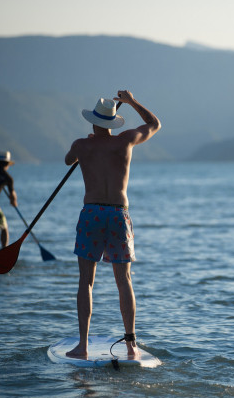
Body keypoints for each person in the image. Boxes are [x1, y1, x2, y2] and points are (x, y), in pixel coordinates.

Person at [64, 91, 161, 359]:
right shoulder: (126, 141)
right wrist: (132, 101)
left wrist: (88, 144)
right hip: (119, 214)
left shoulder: (82, 145)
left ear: (94, 122)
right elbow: (154, 124)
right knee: (124, 280)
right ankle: (131, 345)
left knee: (86, 281)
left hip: (92, 213)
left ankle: (82, 346)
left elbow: (68, 160)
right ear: (114, 121)